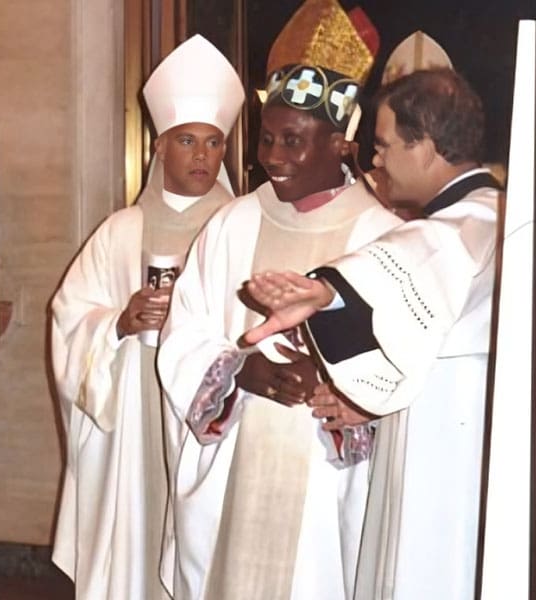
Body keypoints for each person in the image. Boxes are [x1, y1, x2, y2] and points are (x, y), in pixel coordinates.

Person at [156, 3, 402, 598]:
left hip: (326, 480)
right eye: (267, 139)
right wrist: (240, 370)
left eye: (293, 141)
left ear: (342, 146)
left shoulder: (383, 237)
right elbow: (181, 334)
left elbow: (405, 358)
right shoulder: (232, 224)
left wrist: (341, 385)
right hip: (235, 466)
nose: (273, 158)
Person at [243, 68, 501, 600]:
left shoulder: (464, 223)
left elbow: (424, 256)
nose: (376, 159)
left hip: (447, 443)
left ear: (425, 147)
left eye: (385, 145)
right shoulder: (501, 212)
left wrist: (327, 291)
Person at [50, 35, 244, 599]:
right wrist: (118, 322)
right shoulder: (120, 231)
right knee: (140, 531)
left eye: (214, 142)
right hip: (136, 402)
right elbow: (70, 315)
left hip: (212, 412)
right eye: (187, 141)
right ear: (160, 148)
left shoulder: (242, 226)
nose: (203, 156)